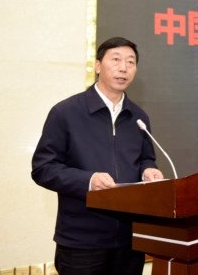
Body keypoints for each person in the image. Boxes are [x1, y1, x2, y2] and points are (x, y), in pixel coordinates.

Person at [32, 37, 164, 275]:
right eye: (116, 60)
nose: (123, 68)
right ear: (97, 66)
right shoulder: (66, 112)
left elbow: (146, 158)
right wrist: (89, 180)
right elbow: (43, 168)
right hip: (81, 241)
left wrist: (148, 169)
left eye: (131, 62)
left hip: (130, 240)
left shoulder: (138, 117)